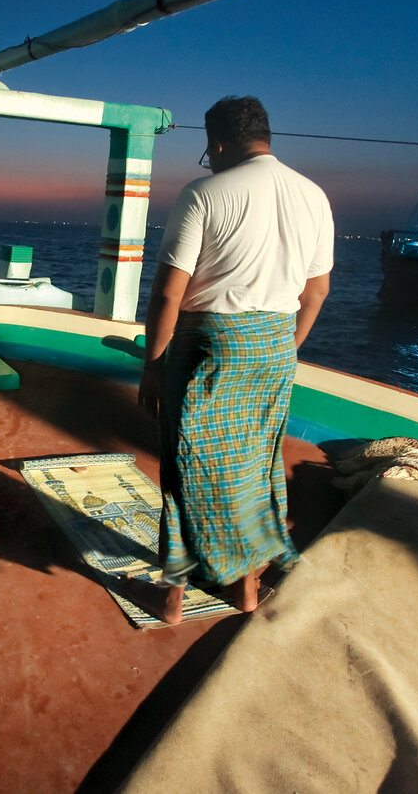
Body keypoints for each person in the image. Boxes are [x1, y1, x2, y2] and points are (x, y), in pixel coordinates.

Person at [134, 96, 333, 621]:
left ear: (217, 143)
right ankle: (245, 590)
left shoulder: (204, 194)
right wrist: (284, 348)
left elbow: (168, 296)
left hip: (209, 345)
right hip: (273, 348)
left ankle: (173, 599)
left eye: (208, 149)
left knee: (185, 467)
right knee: (256, 467)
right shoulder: (313, 196)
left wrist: (153, 365)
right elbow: (316, 292)